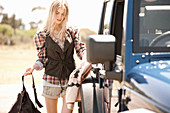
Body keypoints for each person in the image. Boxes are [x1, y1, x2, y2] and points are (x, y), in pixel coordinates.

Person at [24, 0, 86, 113]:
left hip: (70, 80)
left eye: (63, 14)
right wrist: (33, 67)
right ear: (51, 12)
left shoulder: (72, 31)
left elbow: (81, 50)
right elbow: (42, 59)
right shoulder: (41, 35)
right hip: (51, 80)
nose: (60, 17)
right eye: (57, 13)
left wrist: (87, 58)